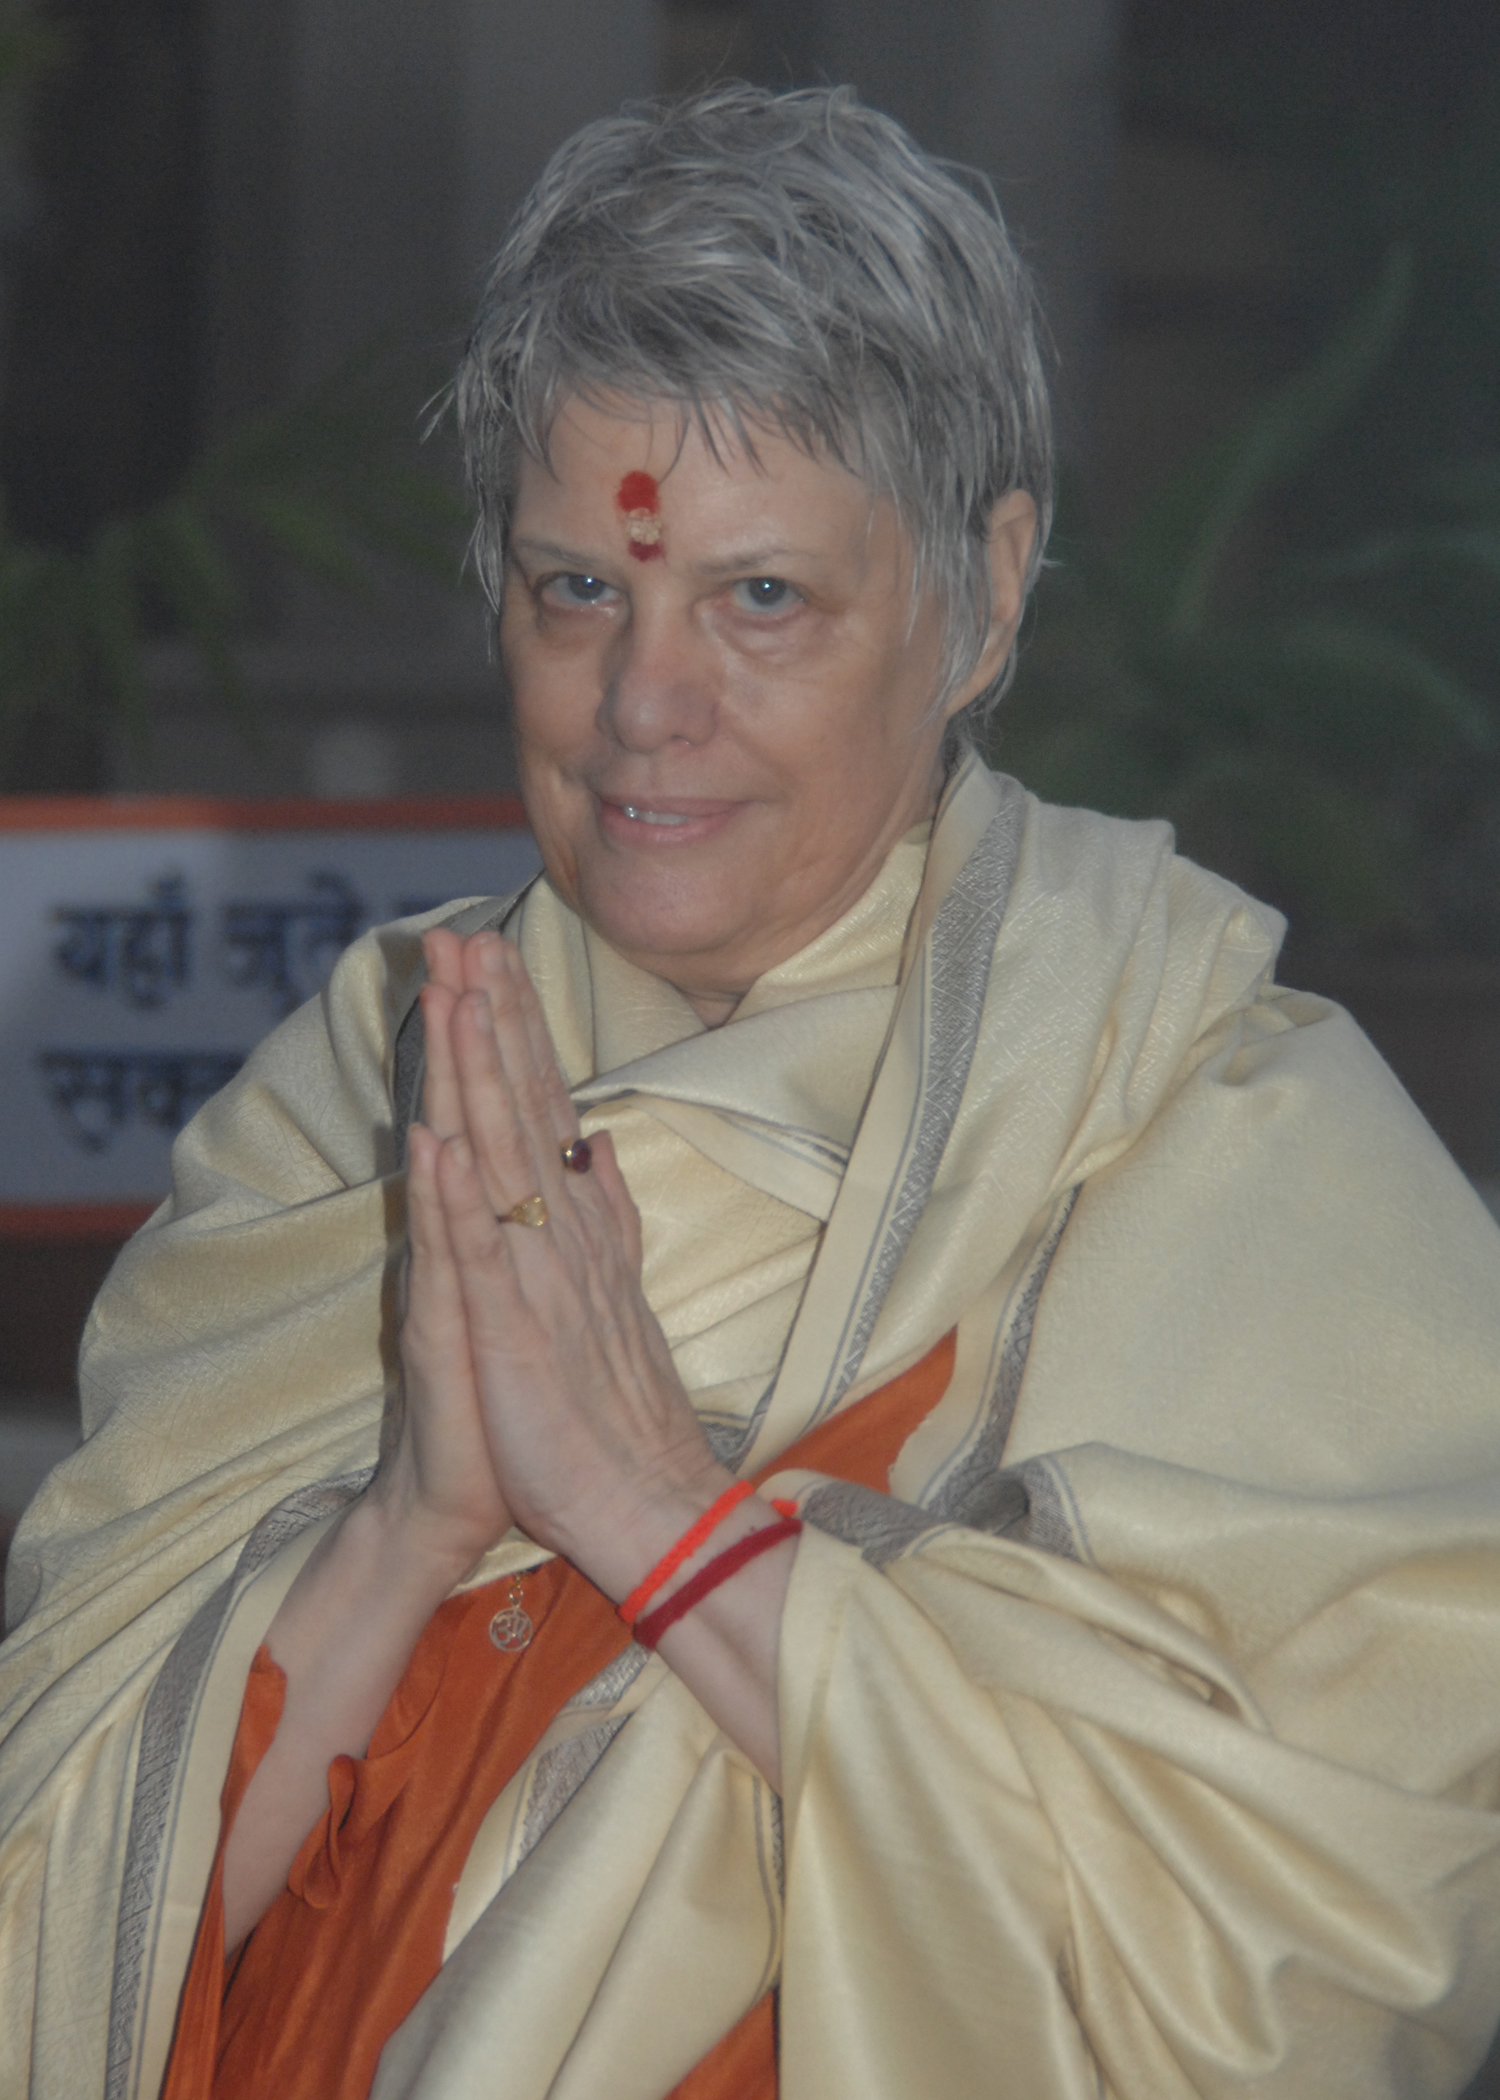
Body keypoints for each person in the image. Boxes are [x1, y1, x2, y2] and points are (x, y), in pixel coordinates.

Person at [3, 81, 1500, 2100]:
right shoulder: (363, 1095)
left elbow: (1306, 1967)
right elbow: (64, 1939)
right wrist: (413, 1523)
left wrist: (650, 1512)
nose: (645, 704)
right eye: (580, 589)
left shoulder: (1218, 1140)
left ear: (985, 595)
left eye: (762, 599)